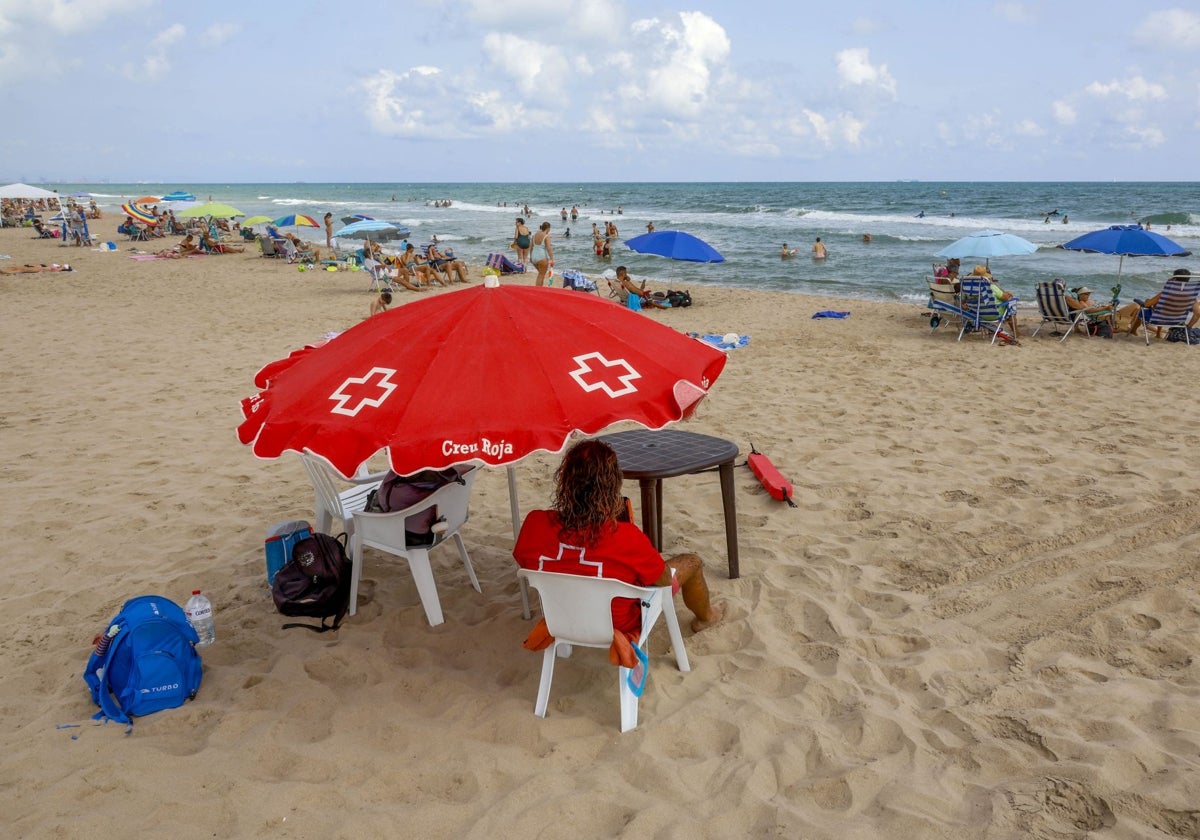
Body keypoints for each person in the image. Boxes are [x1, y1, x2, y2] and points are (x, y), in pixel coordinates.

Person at [513, 439, 724, 635]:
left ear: (564, 482)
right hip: (619, 626)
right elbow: (664, 580)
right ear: (613, 487)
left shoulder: (535, 523)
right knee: (692, 562)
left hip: (559, 618)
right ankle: (706, 618)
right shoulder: (627, 538)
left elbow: (523, 559)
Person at [1118, 268, 1200, 337]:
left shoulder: (1165, 293)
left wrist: (1145, 302)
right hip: (1177, 321)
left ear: (1174, 279)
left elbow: (1147, 305)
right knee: (1160, 308)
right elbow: (1197, 314)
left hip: (1159, 318)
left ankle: (1133, 331)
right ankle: (1158, 333)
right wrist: (1188, 327)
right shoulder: (1192, 296)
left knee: (1139, 311)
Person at [531, 221, 555, 286]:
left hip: (534, 257)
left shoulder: (534, 235)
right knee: (541, 275)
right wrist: (552, 259)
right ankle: (538, 290)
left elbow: (531, 247)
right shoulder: (546, 236)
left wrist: (531, 257)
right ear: (548, 228)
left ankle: (539, 289)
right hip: (542, 257)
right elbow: (549, 249)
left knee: (541, 274)